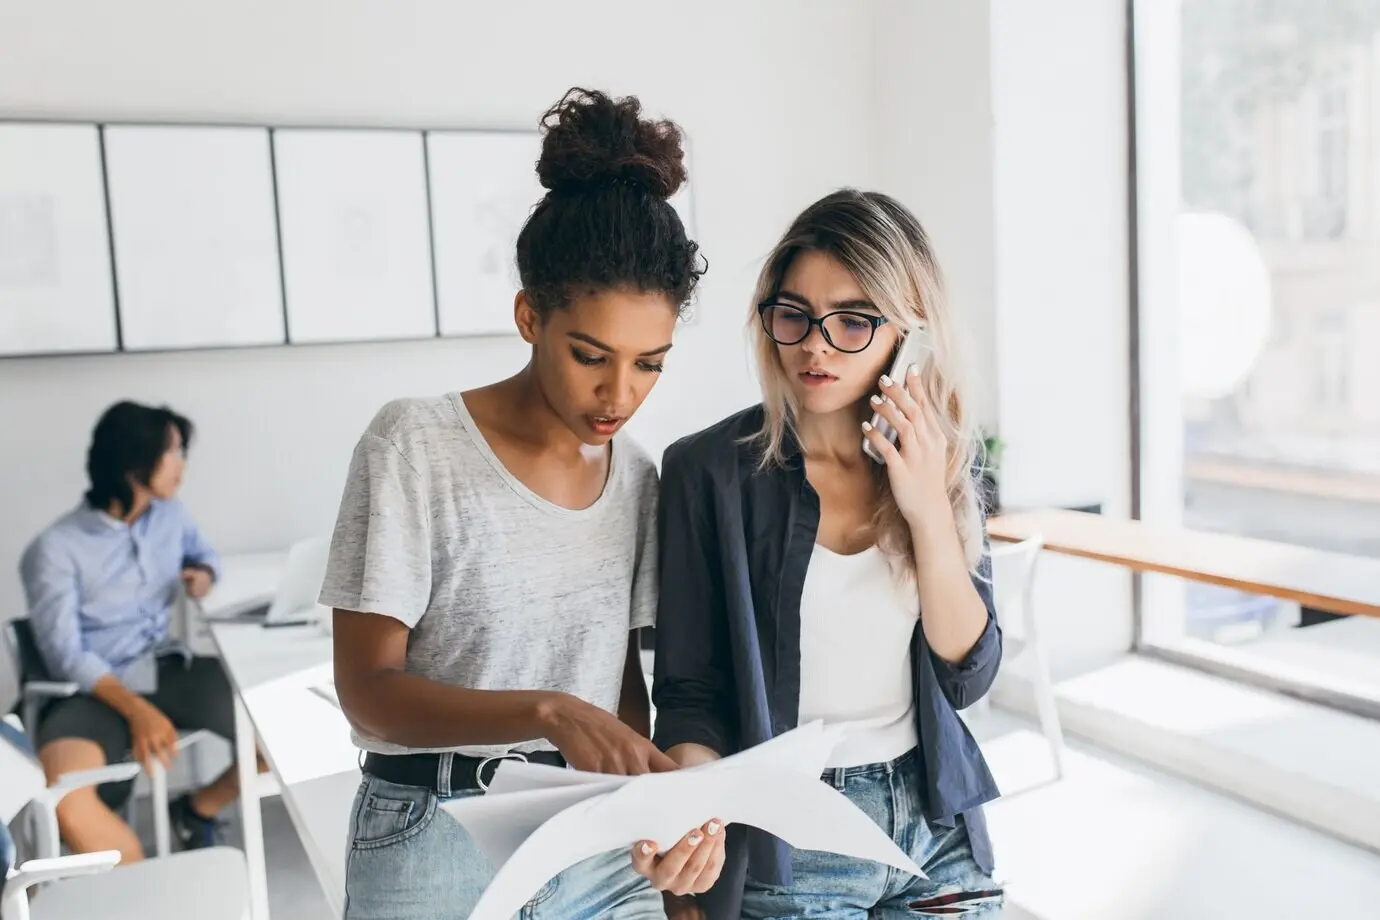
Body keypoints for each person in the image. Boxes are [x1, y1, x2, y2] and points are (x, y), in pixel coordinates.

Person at [322, 87, 722, 920]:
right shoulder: (415, 445)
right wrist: (545, 711)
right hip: (435, 830)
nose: (620, 392)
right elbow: (367, 690)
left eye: (651, 362)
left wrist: (661, 846)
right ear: (528, 315)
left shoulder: (637, 479)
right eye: (590, 355)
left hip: (593, 837)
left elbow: (621, 697)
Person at [652, 190, 1006, 918]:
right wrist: (689, 812)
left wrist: (927, 512)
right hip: (791, 840)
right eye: (795, 315)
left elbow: (969, 675)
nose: (815, 345)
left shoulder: (943, 466)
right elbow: (691, 694)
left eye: (853, 321)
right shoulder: (707, 473)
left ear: (911, 336)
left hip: (936, 827)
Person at [21, 400, 252, 864]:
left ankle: (196, 809)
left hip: (167, 669)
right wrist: (137, 711)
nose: (181, 465)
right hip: (91, 692)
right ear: (133, 465)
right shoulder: (55, 549)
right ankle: (148, 894)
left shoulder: (171, 515)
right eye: (173, 452)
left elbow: (206, 555)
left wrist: (201, 574)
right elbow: (68, 654)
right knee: (66, 799)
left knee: (279, 725)